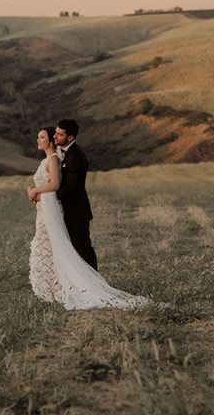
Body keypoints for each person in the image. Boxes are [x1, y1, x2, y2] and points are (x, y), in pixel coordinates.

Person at [28, 125, 148, 310]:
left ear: (52, 140)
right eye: (38, 137)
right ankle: (56, 285)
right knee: (51, 246)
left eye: (42, 137)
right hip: (45, 209)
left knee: (57, 245)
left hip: (54, 210)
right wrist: (33, 191)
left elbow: (55, 184)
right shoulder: (51, 159)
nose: (38, 140)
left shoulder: (53, 159)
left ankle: (82, 284)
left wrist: (35, 190)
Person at [54, 119, 97, 270]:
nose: (55, 136)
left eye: (59, 134)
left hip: (76, 211)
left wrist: (50, 197)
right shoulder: (60, 151)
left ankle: (94, 281)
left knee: (82, 247)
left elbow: (72, 187)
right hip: (65, 209)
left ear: (70, 138)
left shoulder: (76, 156)